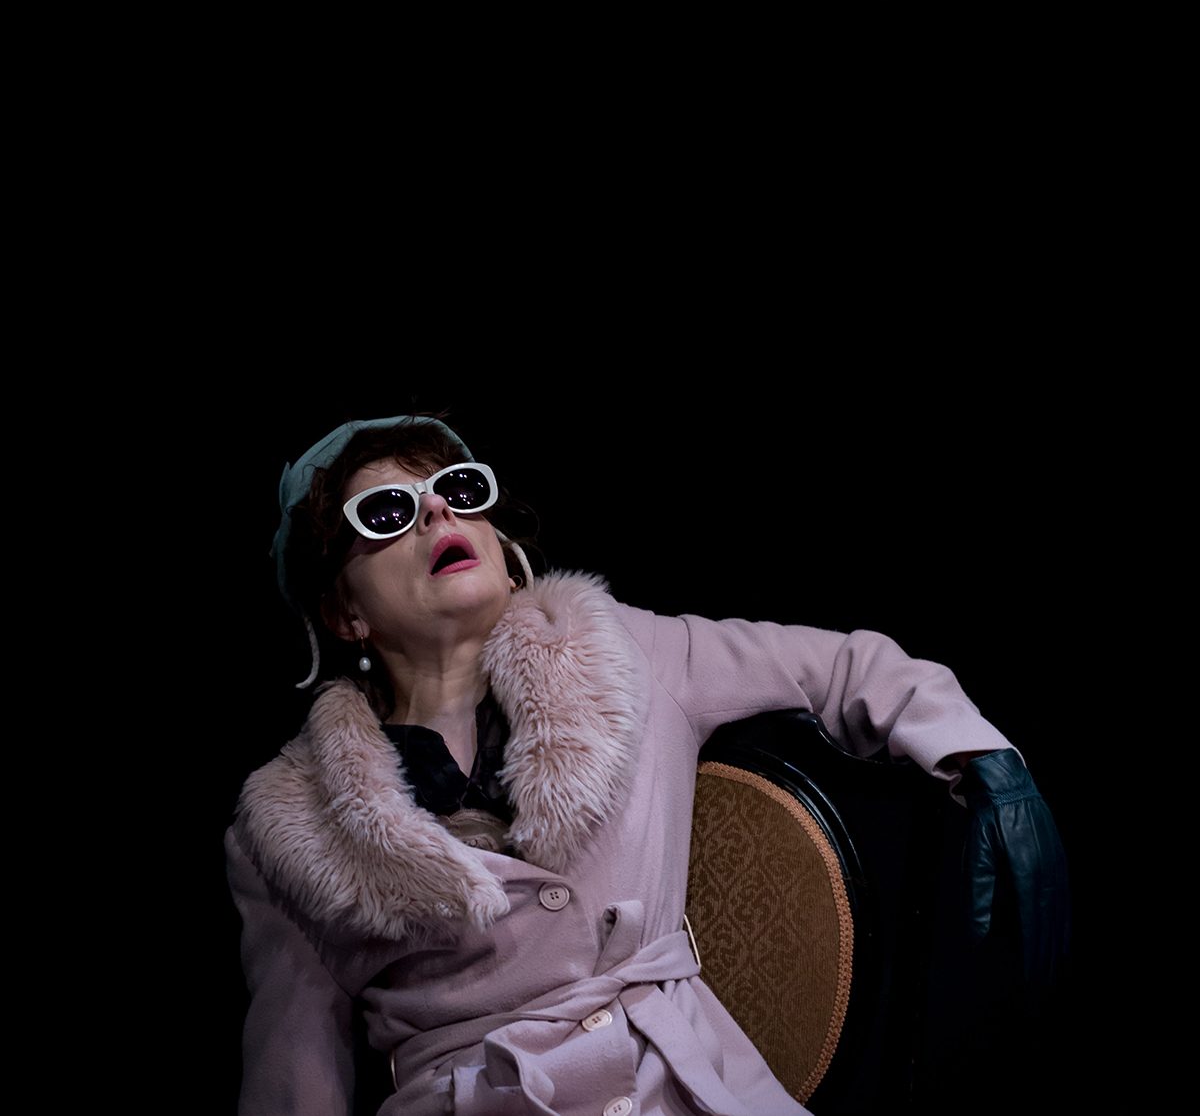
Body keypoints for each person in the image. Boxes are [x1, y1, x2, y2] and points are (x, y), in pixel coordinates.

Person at [226, 413, 1069, 1116]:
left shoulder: (627, 651)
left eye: (460, 489)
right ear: (343, 610)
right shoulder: (285, 827)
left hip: (678, 1089)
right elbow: (293, 1080)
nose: (437, 513)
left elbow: (843, 664)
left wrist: (984, 758)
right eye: (386, 511)